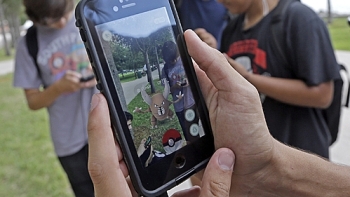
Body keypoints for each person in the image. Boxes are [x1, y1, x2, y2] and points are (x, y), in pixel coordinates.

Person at [87, 29, 350, 197]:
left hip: (190, 104)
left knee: (195, 135)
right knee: (189, 136)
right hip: (179, 107)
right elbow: (171, 85)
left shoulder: (294, 18)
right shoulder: (176, 63)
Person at [197, 0, 340, 158]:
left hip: (302, 160)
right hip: (258, 162)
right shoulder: (232, 28)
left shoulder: (299, 18)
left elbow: (322, 94)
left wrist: (248, 78)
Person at [13, 0, 96, 196]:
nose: (60, 23)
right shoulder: (29, 43)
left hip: (108, 128)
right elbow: (33, 101)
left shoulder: (90, 15)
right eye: (51, 20)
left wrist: (100, 72)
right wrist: (58, 88)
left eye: (63, 15)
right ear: (34, 17)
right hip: (69, 141)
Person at [161, 41, 199, 142]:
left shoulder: (185, 59)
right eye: (170, 60)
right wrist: (174, 87)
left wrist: (189, 80)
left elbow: (197, 75)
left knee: (195, 132)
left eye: (174, 58)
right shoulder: (165, 69)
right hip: (179, 107)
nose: (173, 61)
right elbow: (167, 90)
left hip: (191, 102)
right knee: (188, 135)